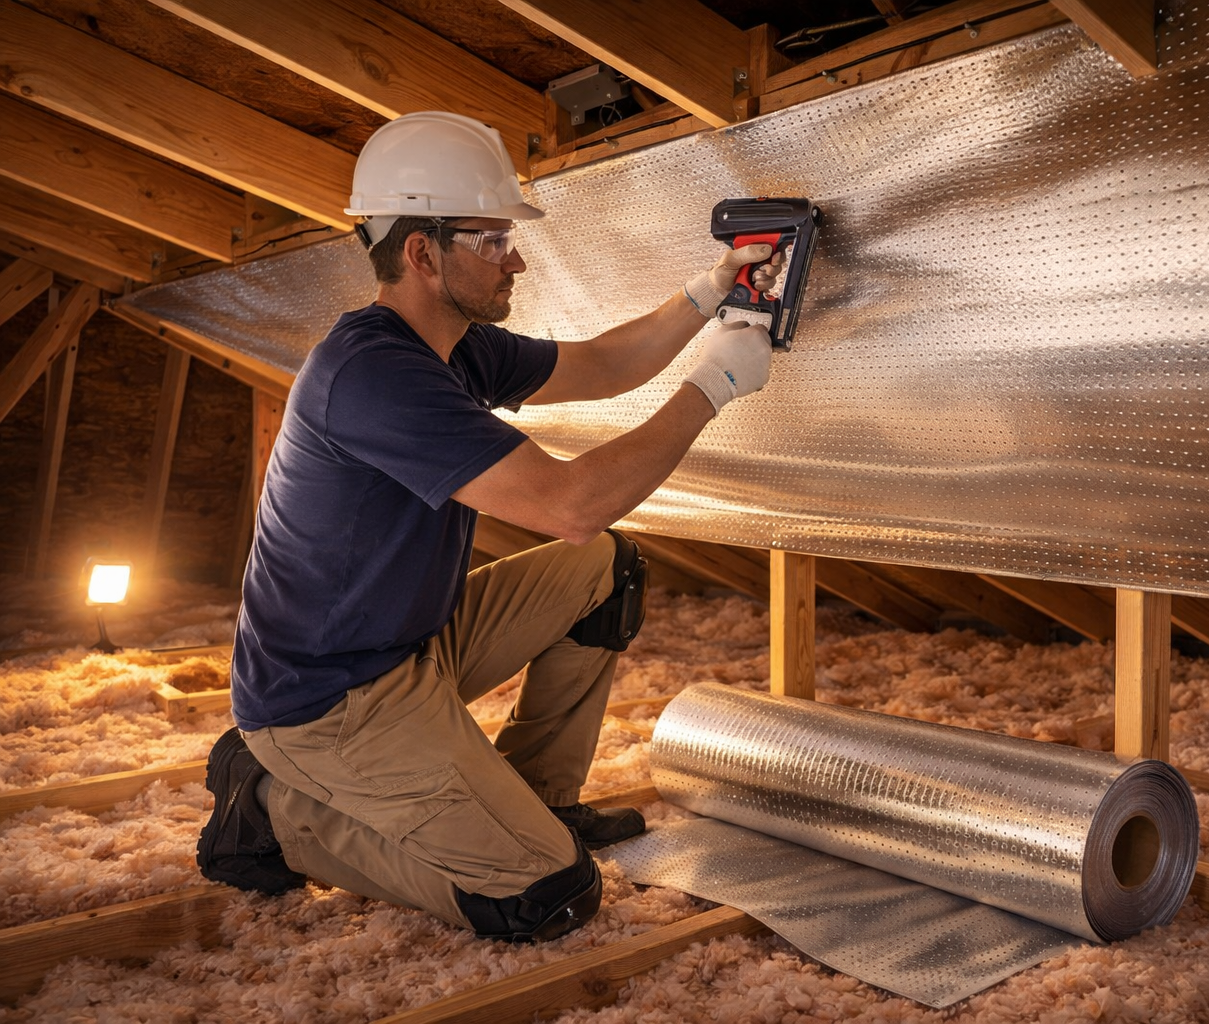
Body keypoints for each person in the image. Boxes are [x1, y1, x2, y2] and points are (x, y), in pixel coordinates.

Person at [195, 110, 780, 943]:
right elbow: (569, 505)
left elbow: (605, 366)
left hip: (411, 646)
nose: (517, 258)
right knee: (546, 898)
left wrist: (711, 289)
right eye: (492, 240)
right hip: (327, 702)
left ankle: (542, 801)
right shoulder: (372, 374)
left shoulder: (456, 345)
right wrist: (714, 386)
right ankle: (273, 814)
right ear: (422, 253)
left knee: (605, 571)